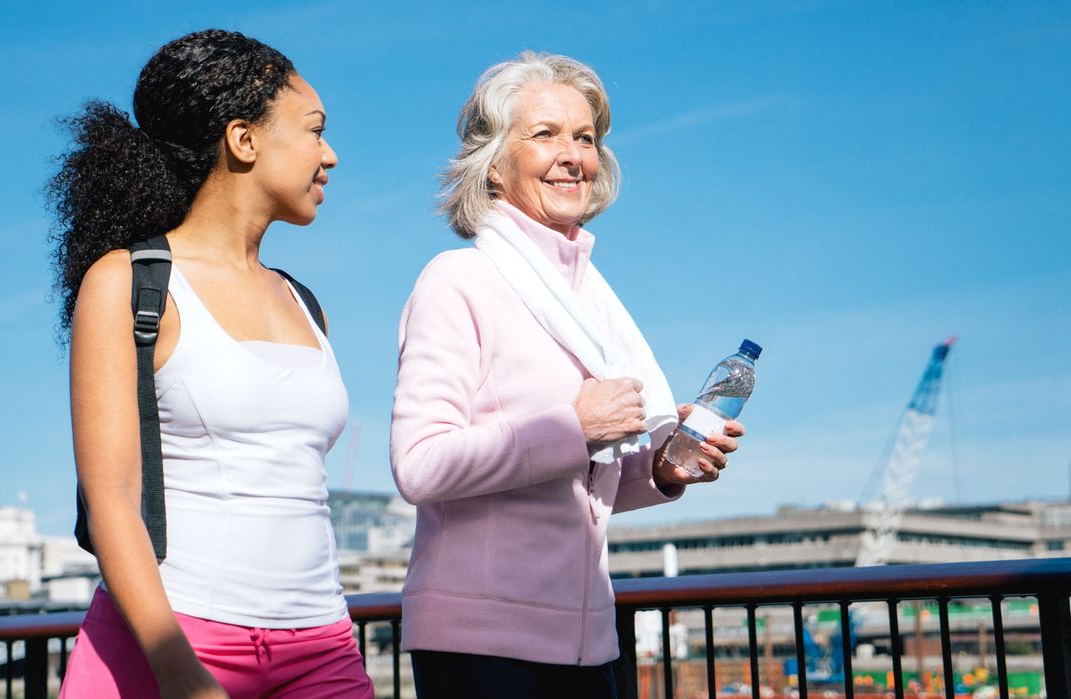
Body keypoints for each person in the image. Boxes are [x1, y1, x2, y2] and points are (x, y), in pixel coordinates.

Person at [389, 51, 746, 699]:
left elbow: (584, 474)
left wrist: (662, 468)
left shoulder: (591, 303)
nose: (572, 154)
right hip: (481, 642)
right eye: (545, 134)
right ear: (493, 163)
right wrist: (574, 425)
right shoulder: (457, 280)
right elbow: (420, 466)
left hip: (587, 639)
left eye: (584, 137)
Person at [47, 30, 373, 699]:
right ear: (242, 140)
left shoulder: (306, 303)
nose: (330, 155)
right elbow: (110, 497)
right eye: (314, 130)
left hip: (322, 647)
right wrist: (179, 671)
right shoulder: (128, 282)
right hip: (166, 646)